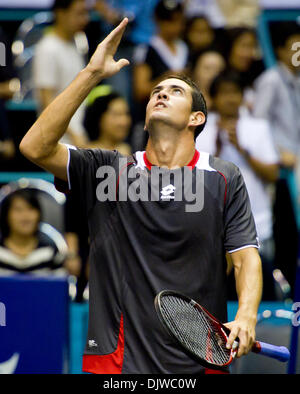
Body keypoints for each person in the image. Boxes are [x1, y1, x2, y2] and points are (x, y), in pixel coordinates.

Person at [20, 18, 262, 374]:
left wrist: (246, 315)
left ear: (196, 118)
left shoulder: (223, 177)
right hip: (117, 363)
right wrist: (91, 73)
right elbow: (35, 147)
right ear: (146, 120)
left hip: (200, 361)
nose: (161, 93)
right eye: (155, 92)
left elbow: (245, 258)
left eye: (175, 91)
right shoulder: (107, 171)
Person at [196, 71, 279, 300]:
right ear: (213, 98)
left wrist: (242, 149)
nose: (230, 99)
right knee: (214, 297)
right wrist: (220, 148)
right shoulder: (200, 129)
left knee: (259, 293)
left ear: (243, 96)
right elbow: (194, 176)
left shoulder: (258, 127)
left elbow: (273, 173)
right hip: (209, 225)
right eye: (224, 94)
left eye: (235, 93)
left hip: (256, 223)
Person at [33, 0, 90, 147]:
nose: (85, 19)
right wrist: (73, 135)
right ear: (60, 13)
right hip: (58, 141)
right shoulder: (48, 48)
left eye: (86, 13)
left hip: (75, 136)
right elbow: (46, 102)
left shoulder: (75, 46)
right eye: (79, 13)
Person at [0, 189, 68, 276]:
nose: (25, 216)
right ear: (6, 215)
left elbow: (59, 286)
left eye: (30, 209)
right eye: (18, 210)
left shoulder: (52, 253)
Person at [83, 85, 132, 155]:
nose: (124, 122)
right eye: (117, 114)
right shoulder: (88, 153)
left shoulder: (126, 150)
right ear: (99, 118)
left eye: (126, 114)